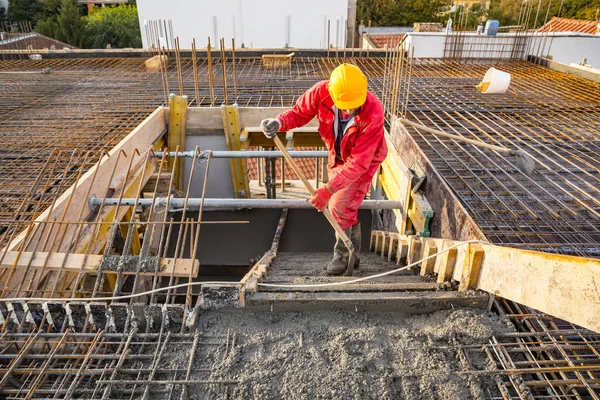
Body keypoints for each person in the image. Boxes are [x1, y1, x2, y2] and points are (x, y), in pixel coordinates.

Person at [260, 63, 387, 275]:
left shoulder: (373, 111)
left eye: (354, 106)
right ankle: (352, 256)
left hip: (364, 160)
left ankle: (343, 257)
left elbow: (358, 163)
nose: (349, 110)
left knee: (339, 204)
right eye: (345, 106)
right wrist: (279, 122)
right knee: (345, 207)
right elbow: (300, 113)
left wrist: (328, 190)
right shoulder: (321, 92)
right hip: (337, 154)